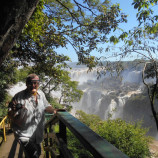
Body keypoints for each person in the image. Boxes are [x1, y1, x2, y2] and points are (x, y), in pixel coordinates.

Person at [8, 73, 57, 158]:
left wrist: (54, 110)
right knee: (34, 154)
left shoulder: (41, 94)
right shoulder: (18, 97)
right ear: (26, 83)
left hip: (37, 134)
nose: (34, 85)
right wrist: (13, 110)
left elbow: (46, 106)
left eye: (37, 83)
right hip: (24, 135)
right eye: (32, 82)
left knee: (37, 152)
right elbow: (10, 115)